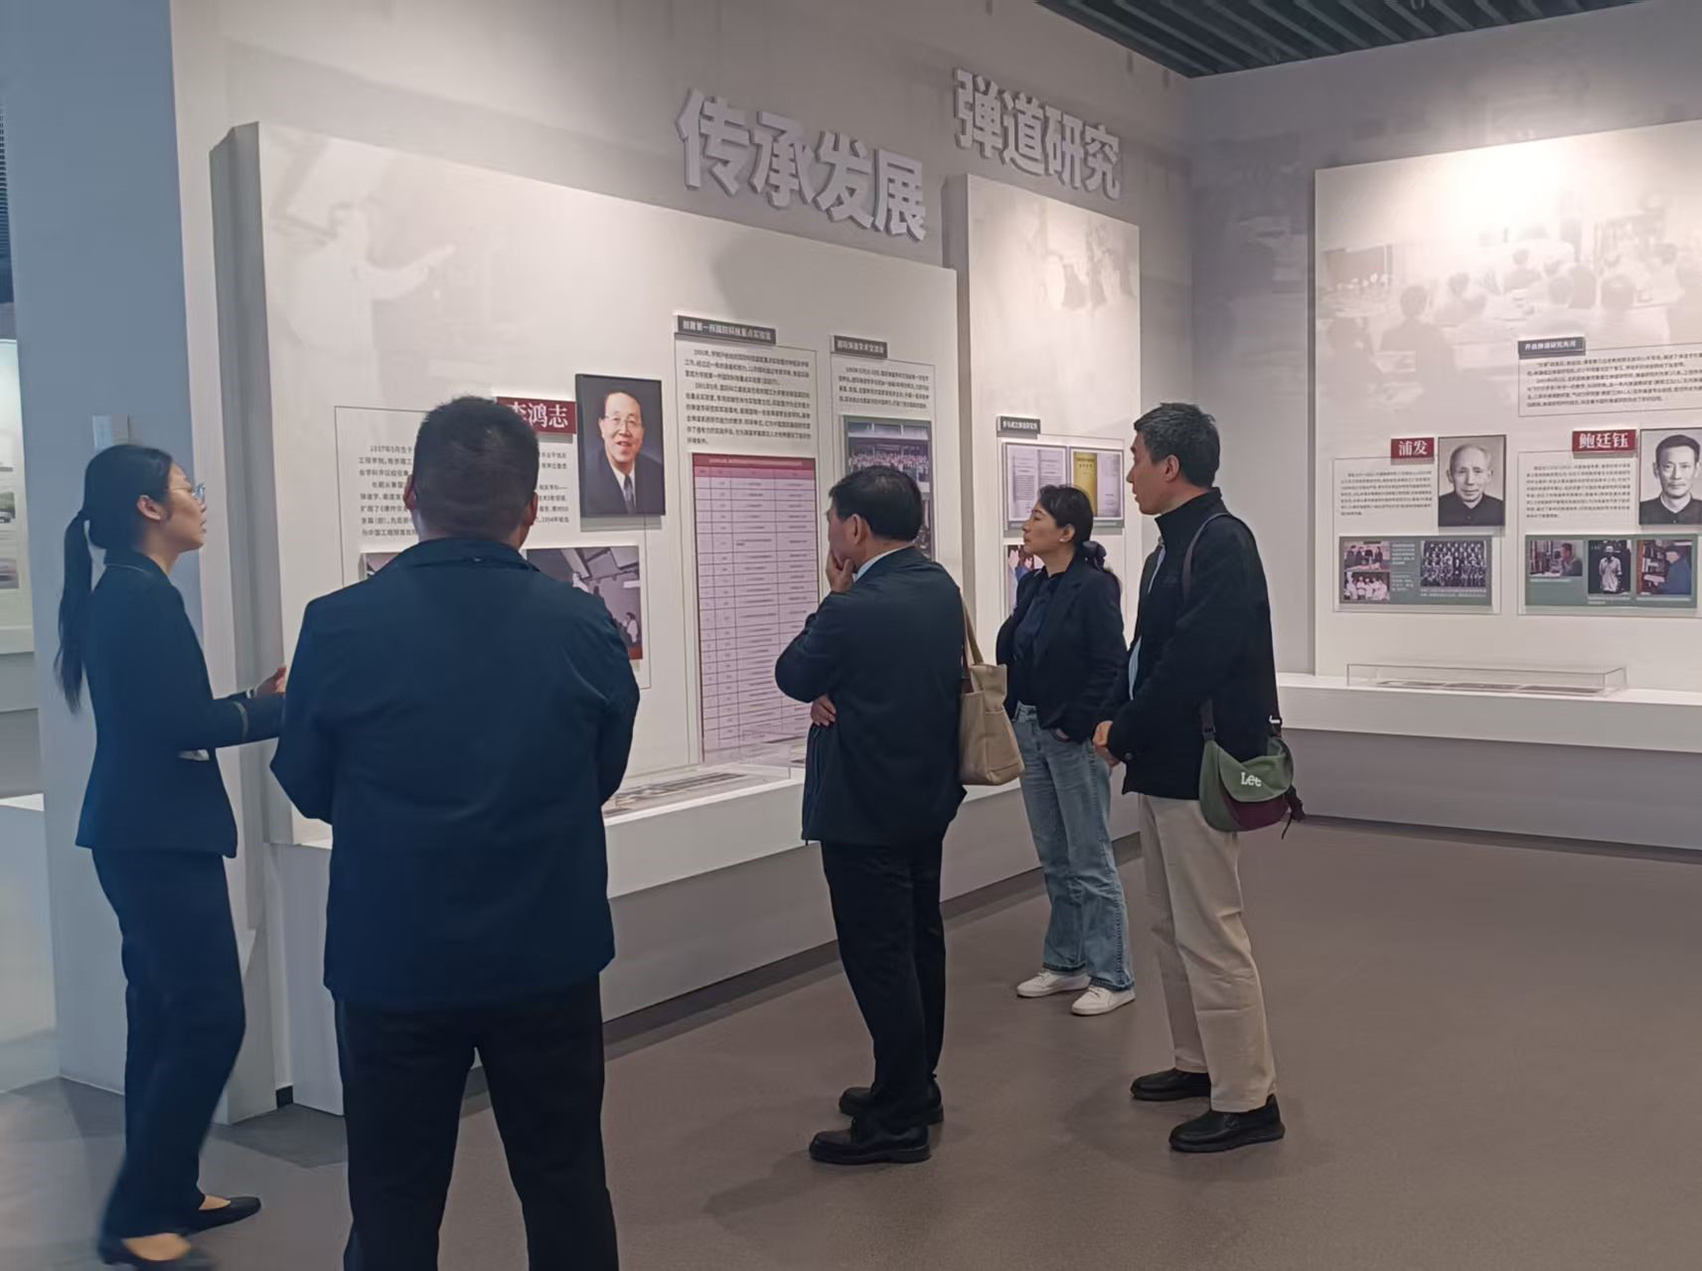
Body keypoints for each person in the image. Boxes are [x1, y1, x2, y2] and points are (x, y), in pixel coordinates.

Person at [272, 398, 638, 1270]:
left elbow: (309, 782)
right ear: (531, 510)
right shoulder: (585, 623)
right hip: (545, 951)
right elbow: (601, 771)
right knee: (564, 1180)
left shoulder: (337, 623)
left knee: (393, 1200)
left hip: (392, 958)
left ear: (411, 494)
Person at [58, 444, 285, 1271]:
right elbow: (180, 726)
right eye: (188, 487)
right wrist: (277, 710)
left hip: (144, 832)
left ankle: (168, 1193)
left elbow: (168, 715)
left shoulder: (131, 589)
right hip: (156, 838)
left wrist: (252, 702)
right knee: (208, 1017)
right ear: (150, 507)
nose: (199, 500)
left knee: (160, 1014)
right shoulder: (138, 596)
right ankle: (132, 1217)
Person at [1092, 403, 1284, 1155]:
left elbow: (1192, 662)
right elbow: (1145, 653)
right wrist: (1116, 716)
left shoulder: (1223, 542)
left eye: (1137, 458)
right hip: (1165, 764)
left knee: (1211, 932)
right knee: (1171, 926)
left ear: (1171, 466)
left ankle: (1248, 1098)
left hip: (1200, 766)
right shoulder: (1165, 550)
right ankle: (1198, 1061)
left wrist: (1125, 728)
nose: (1130, 474)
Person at [774, 466, 964, 1167]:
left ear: (855, 528)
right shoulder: (939, 586)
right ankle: (913, 1084)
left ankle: (898, 1121)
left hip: (863, 809)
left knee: (880, 959)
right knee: (918, 944)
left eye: (833, 521)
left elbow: (793, 674)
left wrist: (834, 598)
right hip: (924, 800)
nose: (829, 532)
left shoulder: (851, 608)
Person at [996, 485, 1133, 1016]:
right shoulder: (1034, 584)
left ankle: (1113, 974)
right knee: (1054, 856)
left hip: (1067, 736)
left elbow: (1111, 663)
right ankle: (1066, 961)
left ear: (1067, 532)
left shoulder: (1094, 588)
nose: (1026, 525)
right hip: (1030, 729)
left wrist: (1076, 725)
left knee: (1090, 858)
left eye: (1037, 517)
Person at [580, 388, 665, 516]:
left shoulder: (657, 474)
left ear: (642, 431)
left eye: (632, 422)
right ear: (602, 426)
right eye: (616, 419)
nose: (624, 431)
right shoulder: (584, 476)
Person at [1438, 443, 1505, 527]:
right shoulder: (1436, 508)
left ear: (1489, 476)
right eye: (1462, 472)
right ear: (1450, 476)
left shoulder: (1502, 509)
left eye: (1477, 471)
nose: (1470, 481)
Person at [1639, 434, 1702, 525]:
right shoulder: (1639, 511)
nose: (1676, 476)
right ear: (1656, 469)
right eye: (1668, 467)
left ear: (1696, 469)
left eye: (1685, 466)